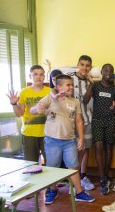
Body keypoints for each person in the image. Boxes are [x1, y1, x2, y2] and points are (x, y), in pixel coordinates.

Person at [30, 74, 95, 204]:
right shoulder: (50, 97)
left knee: (73, 166)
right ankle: (52, 191)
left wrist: (81, 138)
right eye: (68, 85)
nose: (71, 87)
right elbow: (33, 110)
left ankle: (79, 192)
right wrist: (37, 108)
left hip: (69, 141)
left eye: (72, 85)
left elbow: (78, 121)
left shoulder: (75, 101)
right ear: (58, 86)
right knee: (53, 168)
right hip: (52, 141)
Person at [84, 64, 115, 195]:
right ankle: (102, 178)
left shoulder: (114, 88)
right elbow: (85, 100)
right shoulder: (96, 85)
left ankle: (105, 176)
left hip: (110, 121)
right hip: (97, 121)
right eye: (106, 70)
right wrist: (91, 84)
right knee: (99, 147)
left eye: (111, 71)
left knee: (108, 148)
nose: (108, 73)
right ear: (101, 72)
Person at [7, 65, 50, 162]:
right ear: (30, 76)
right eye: (35, 74)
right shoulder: (24, 92)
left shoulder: (50, 91)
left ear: (44, 77)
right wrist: (14, 103)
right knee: (30, 164)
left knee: (51, 163)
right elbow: (19, 114)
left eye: (41, 74)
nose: (38, 77)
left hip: (48, 134)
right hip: (29, 133)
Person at [68, 55, 95, 191]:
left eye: (88, 65)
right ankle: (74, 179)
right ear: (77, 64)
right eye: (82, 64)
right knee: (75, 151)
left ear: (91, 67)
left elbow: (86, 101)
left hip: (87, 119)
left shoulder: (91, 81)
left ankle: (83, 176)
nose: (85, 68)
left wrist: (91, 84)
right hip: (72, 121)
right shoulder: (69, 78)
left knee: (85, 149)